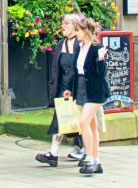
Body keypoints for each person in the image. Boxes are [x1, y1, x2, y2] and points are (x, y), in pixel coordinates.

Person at [35, 13, 96, 167]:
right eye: (63, 23)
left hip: (78, 86)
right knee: (60, 118)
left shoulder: (80, 43)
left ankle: (85, 151)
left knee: (81, 121)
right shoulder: (60, 43)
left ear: (75, 26)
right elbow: (56, 69)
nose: (63, 25)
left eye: (67, 23)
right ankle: (54, 153)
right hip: (63, 87)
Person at [74, 14, 109, 175]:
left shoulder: (97, 48)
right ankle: (97, 161)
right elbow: (78, 70)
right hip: (82, 87)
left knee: (83, 122)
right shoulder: (79, 47)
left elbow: (101, 73)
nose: (76, 34)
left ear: (86, 31)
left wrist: (101, 60)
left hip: (95, 90)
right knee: (92, 125)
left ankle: (88, 157)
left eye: (78, 30)